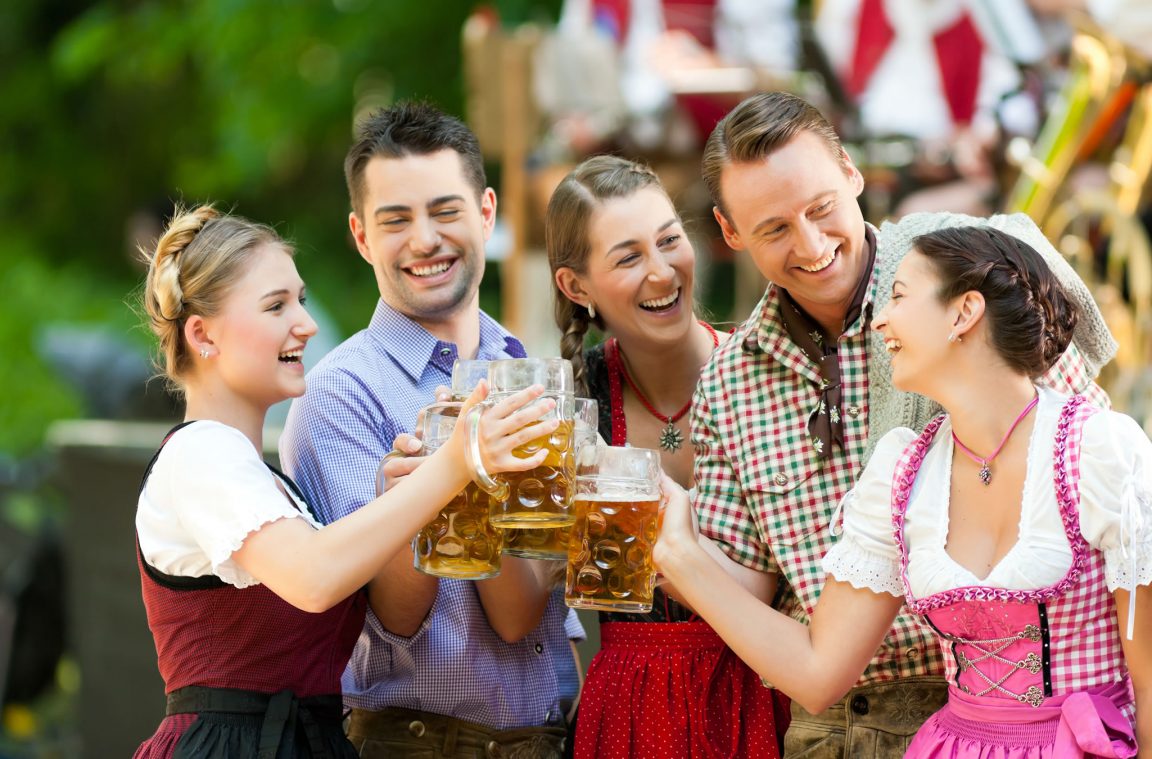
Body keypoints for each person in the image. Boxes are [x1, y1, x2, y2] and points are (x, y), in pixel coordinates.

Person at [683, 91, 1118, 756]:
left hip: (993, 707)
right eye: (773, 229)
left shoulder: (967, 301)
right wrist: (661, 535)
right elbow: (743, 593)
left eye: (822, 208)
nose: (811, 244)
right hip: (832, 726)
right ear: (730, 232)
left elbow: (1094, 496)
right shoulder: (727, 380)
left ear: (853, 175)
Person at [133, 205, 553, 758]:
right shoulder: (200, 452)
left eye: (300, 301)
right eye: (276, 305)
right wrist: (458, 460)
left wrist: (398, 496)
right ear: (203, 335)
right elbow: (314, 576)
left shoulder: (260, 478)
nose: (306, 324)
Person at [279, 102, 583, 758]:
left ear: (486, 214)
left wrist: (461, 483)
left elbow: (521, 615)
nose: (424, 240)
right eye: (396, 220)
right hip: (414, 743)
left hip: (548, 740)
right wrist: (433, 493)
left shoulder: (531, 377)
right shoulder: (338, 395)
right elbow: (393, 617)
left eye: (445, 211)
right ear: (362, 237)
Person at [547, 154, 789, 757]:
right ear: (577, 287)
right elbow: (524, 605)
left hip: (766, 689)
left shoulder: (764, 376)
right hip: (631, 709)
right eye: (628, 257)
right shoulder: (577, 403)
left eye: (669, 241)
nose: (662, 272)